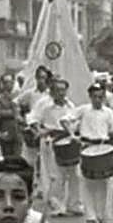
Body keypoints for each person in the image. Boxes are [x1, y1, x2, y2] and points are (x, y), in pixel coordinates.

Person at [31, 78, 84, 216]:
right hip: (52, 141)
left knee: (75, 174)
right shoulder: (45, 106)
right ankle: (57, 205)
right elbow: (33, 119)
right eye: (58, 90)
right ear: (52, 92)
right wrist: (39, 130)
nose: (61, 93)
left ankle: (74, 204)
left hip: (69, 141)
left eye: (63, 90)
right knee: (55, 175)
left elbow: (76, 122)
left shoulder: (70, 105)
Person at [75, 82, 113, 223]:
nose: (98, 100)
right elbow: (66, 119)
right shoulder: (83, 110)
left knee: (106, 183)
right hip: (87, 146)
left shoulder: (108, 112)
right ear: (90, 97)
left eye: (100, 97)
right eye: (95, 97)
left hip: (103, 146)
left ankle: (103, 215)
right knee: (87, 182)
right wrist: (73, 136)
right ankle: (91, 216)